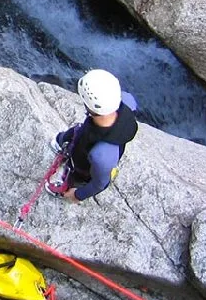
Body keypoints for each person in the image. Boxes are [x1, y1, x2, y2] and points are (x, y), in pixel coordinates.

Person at [46, 69, 138, 202]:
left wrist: (78, 195)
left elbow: (100, 183)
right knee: (77, 132)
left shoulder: (101, 155)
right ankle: (61, 141)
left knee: (78, 175)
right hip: (89, 134)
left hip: (85, 166)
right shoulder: (127, 101)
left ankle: (69, 186)